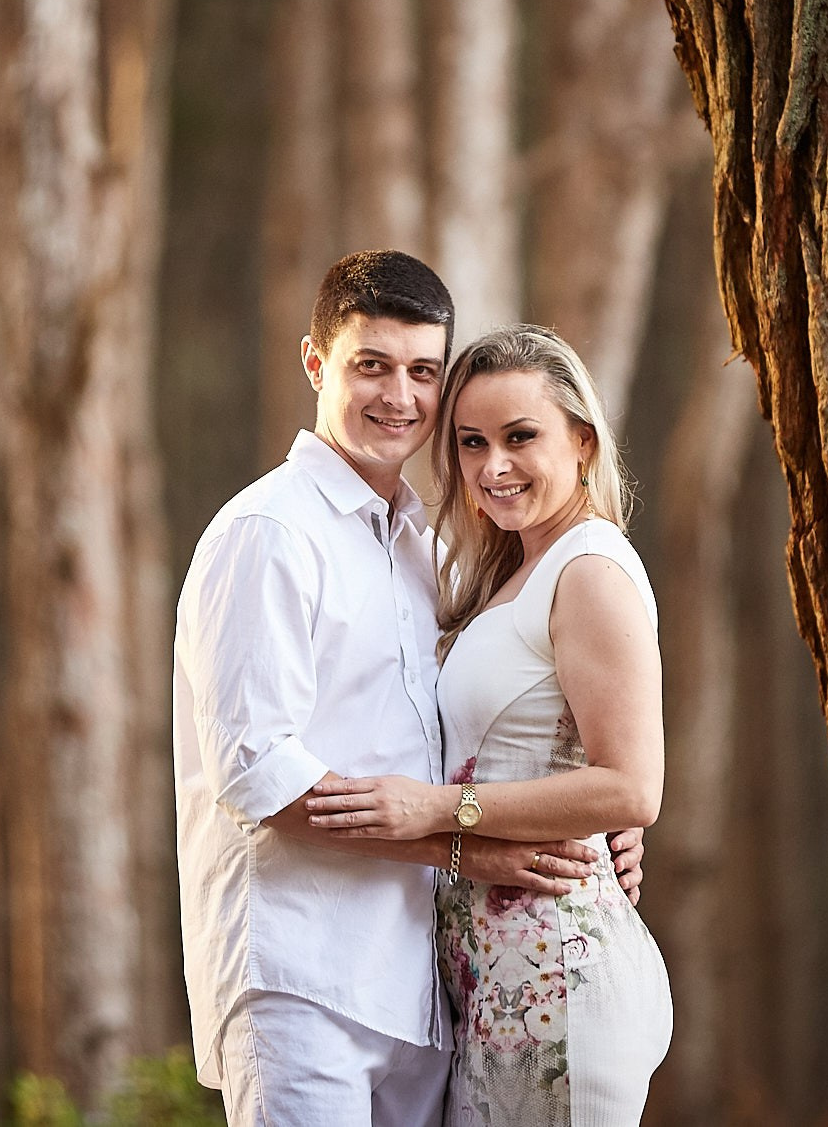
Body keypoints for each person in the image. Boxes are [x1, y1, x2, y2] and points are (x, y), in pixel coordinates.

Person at [174, 253, 645, 1127]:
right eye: (371, 365)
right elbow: (257, 771)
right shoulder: (269, 532)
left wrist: (590, 816)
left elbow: (487, 734)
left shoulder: (419, 548)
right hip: (301, 973)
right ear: (316, 363)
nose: (400, 396)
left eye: (423, 371)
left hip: (421, 983)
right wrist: (465, 850)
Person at [306, 325, 672, 1125]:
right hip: (495, 978)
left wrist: (438, 808)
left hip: (561, 978)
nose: (492, 466)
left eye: (520, 437)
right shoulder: (512, 572)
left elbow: (632, 786)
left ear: (582, 440)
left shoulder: (591, 569)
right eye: (472, 443)